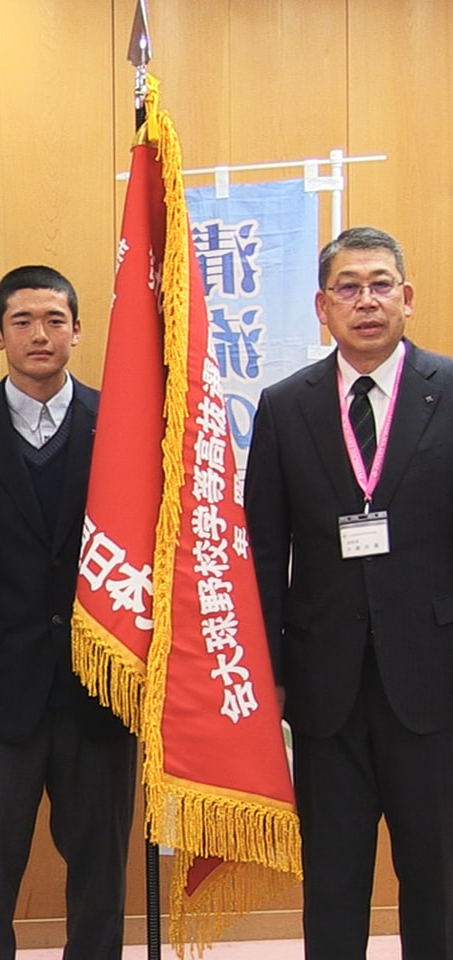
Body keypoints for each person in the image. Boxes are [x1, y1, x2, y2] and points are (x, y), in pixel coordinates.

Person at [246, 226, 453, 960]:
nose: (365, 300)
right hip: (324, 687)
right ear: (321, 306)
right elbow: (264, 552)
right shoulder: (285, 405)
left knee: (438, 880)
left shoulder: (449, 389)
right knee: (333, 882)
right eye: (348, 287)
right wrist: (266, 672)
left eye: (379, 283)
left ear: (408, 295)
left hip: (433, 681)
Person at [0, 265, 136, 960]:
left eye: (54, 320)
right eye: (22, 321)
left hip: (101, 694)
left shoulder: (126, 426)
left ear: (78, 330)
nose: (39, 335)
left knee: (101, 877)